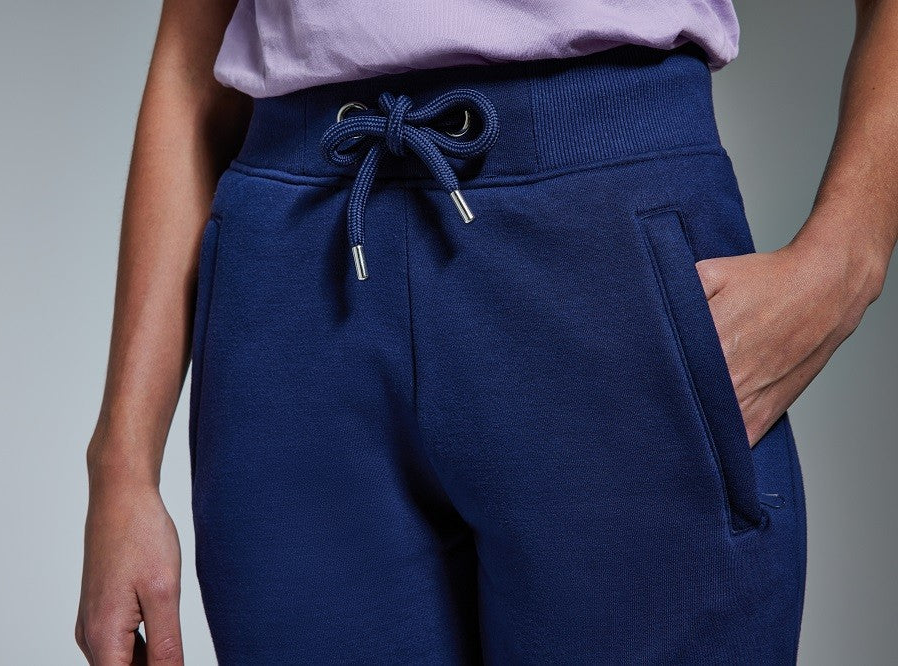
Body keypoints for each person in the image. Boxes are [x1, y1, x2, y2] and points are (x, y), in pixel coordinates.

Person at [76, 0, 897, 663]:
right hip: (297, 281)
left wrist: (848, 259)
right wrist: (121, 469)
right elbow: (189, 57)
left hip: (601, 248)